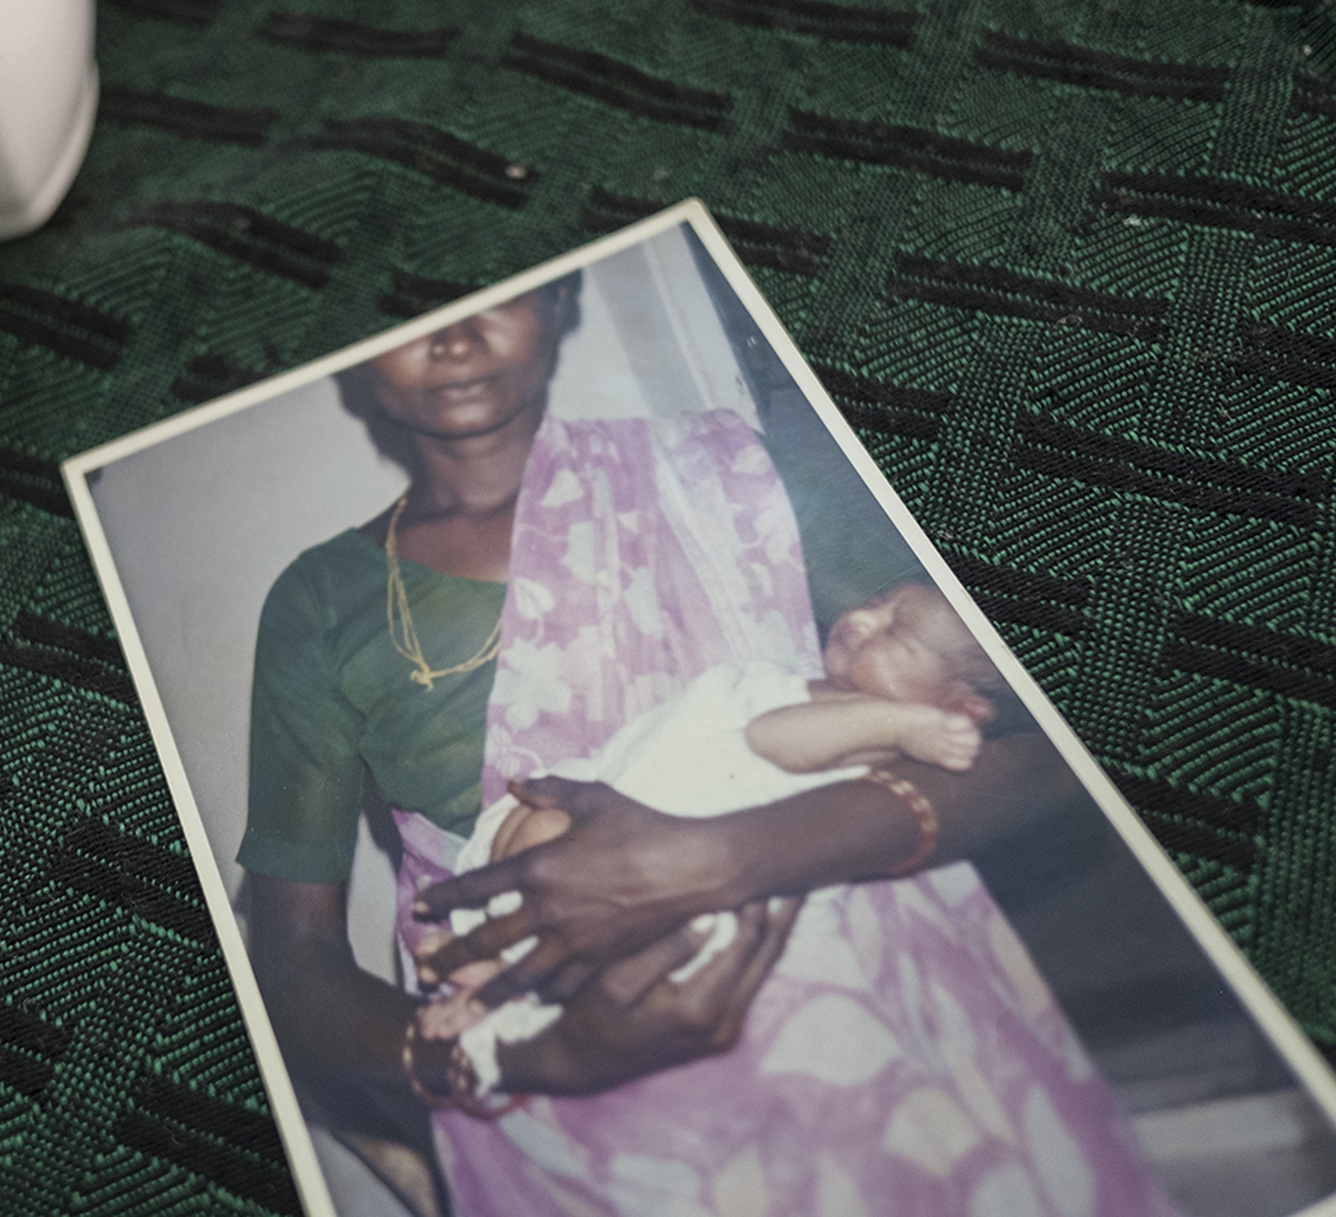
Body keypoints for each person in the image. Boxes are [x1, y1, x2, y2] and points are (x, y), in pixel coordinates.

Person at [238, 274, 1172, 1215]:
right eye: (408, 312)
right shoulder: (322, 603)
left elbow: (1056, 745)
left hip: (854, 970)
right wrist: (521, 1054)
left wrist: (723, 857)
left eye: (494, 292)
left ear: (560, 303)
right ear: (353, 360)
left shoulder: (725, 475)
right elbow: (290, 959)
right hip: (552, 1041)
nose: (454, 334)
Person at [417, 579, 1003, 1049]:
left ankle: (504, 982)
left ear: (960, 706)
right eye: (876, 602)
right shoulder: (785, 679)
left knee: (560, 859)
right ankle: (493, 958)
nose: (862, 620)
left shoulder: (874, 734)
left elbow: (775, 740)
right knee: (537, 826)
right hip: (602, 808)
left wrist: (900, 723)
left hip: (653, 881)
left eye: (896, 637)